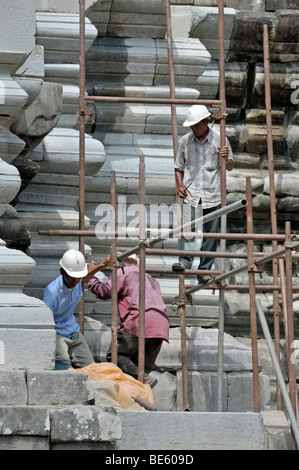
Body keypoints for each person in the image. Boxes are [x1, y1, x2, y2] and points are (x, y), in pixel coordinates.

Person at [172, 104, 234, 283]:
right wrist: (179, 185)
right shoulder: (185, 141)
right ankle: (185, 262)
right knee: (188, 230)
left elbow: (230, 166)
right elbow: (178, 167)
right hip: (191, 193)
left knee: (210, 235)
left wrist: (226, 156)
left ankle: (204, 271)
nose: (194, 128)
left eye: (197, 125)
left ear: (206, 122)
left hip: (212, 193)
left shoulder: (220, 139)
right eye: (192, 126)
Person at [87, 253, 170, 388]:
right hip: (161, 326)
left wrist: (91, 277)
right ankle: (140, 389)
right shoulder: (151, 278)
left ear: (121, 263)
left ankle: (144, 378)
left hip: (139, 321)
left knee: (116, 355)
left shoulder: (124, 272)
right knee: (136, 368)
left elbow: (104, 292)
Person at [43, 249, 110, 369]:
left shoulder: (76, 280)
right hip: (57, 334)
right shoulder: (52, 293)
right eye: (72, 278)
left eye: (78, 278)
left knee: (90, 367)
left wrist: (102, 265)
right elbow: (46, 324)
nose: (75, 282)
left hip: (72, 331)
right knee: (62, 363)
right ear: (62, 272)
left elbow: (84, 277)